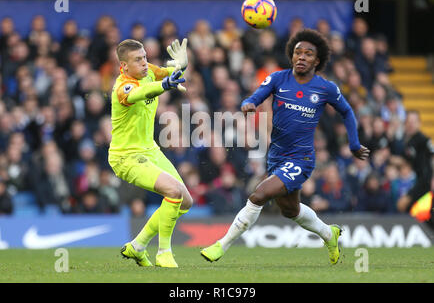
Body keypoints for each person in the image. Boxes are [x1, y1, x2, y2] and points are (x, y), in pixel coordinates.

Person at [201, 29, 370, 265]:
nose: (301, 57)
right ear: (291, 56)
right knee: (290, 210)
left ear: (317, 60)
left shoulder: (325, 88)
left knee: (257, 195)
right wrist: (248, 103)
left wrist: (353, 143)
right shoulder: (278, 78)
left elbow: (347, 112)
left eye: (308, 54)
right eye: (297, 52)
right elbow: (255, 96)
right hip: (276, 156)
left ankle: (222, 245)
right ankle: (328, 234)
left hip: (301, 159)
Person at [109, 38, 193, 268]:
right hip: (125, 156)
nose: (145, 63)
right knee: (173, 191)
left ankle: (138, 246)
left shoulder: (148, 72)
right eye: (138, 60)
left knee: (185, 201)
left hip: (150, 150)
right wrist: (164, 85)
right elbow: (138, 93)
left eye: (145, 57)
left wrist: (181, 65)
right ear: (124, 66)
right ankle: (164, 252)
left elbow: (170, 73)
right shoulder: (122, 87)